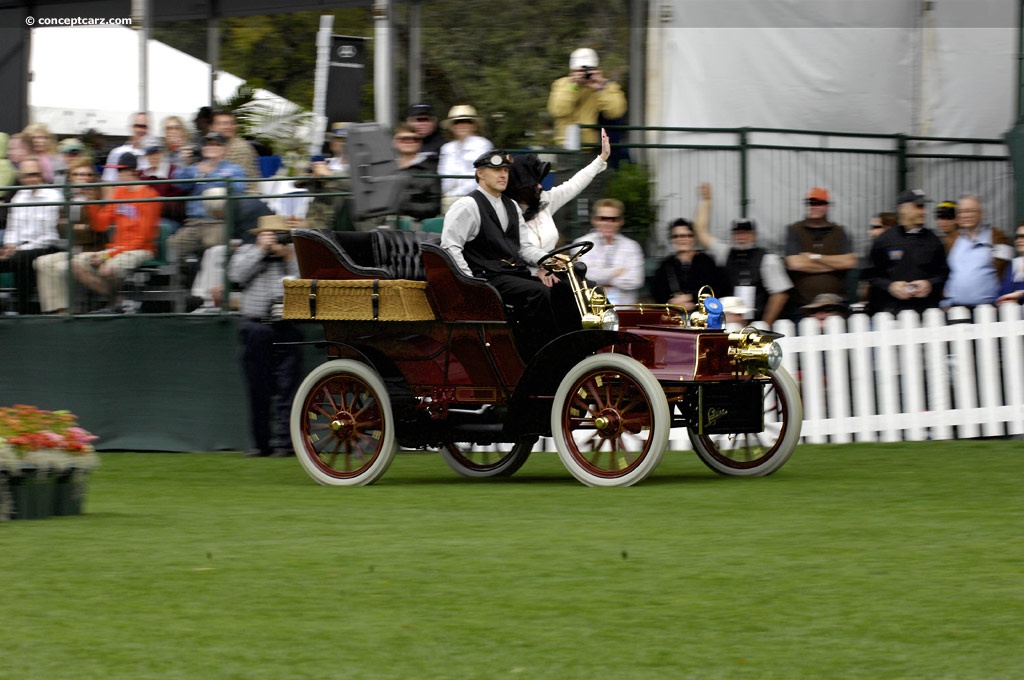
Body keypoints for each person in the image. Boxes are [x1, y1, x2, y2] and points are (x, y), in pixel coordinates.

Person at [441, 150, 567, 358]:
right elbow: (450, 247)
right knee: (537, 293)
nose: (503, 175)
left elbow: (523, 247)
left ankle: (567, 351)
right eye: (496, 170)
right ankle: (537, 357)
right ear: (480, 174)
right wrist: (470, 283)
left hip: (510, 274)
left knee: (561, 287)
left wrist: (546, 260)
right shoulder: (467, 206)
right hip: (485, 277)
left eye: (506, 170)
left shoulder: (511, 206)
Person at [228, 214, 303, 458]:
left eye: (276, 234)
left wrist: (286, 254)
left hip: (287, 326)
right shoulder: (247, 252)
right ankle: (261, 444)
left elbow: (305, 280)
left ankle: (286, 444)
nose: (272, 239)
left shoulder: (293, 254)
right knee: (257, 388)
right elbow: (236, 276)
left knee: (288, 389)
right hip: (255, 327)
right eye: (268, 234)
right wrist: (261, 251)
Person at [504, 128, 610, 268]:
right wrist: (547, 263)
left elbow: (573, 185)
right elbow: (519, 254)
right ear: (520, 189)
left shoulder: (545, 200)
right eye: (534, 185)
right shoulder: (506, 212)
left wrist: (601, 158)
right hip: (524, 276)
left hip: (551, 271)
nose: (540, 187)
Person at [71, 152, 160, 313]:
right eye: (117, 170)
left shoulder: (150, 195)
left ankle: (115, 305)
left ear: (132, 171)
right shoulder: (119, 192)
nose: (117, 174)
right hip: (118, 248)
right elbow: (101, 225)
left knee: (108, 269)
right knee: (76, 263)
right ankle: (121, 302)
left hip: (141, 249)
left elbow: (141, 239)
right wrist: (91, 202)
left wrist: (107, 256)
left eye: (121, 170)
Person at [692, 183, 792, 325]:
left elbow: (780, 294)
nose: (742, 237)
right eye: (738, 233)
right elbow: (700, 232)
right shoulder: (725, 253)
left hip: (756, 324)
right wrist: (706, 201)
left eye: (746, 233)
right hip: (729, 324)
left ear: (754, 235)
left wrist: (765, 324)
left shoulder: (768, 260)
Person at [33, 160, 105, 314]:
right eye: (77, 174)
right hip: (73, 250)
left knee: (62, 267)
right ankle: (58, 310)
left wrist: (73, 227)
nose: (83, 178)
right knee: (41, 262)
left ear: (94, 177)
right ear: (71, 178)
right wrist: (78, 228)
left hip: (95, 252)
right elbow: (60, 229)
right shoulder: (68, 199)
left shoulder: (100, 198)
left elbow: (96, 232)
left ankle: (71, 311)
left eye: (87, 174)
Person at [867, 189, 949, 315]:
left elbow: (943, 273)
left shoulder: (933, 240)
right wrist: (890, 287)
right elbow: (872, 275)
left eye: (924, 207)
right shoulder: (884, 240)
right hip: (892, 315)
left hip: (927, 313)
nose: (924, 211)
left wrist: (929, 284)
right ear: (902, 209)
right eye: (919, 206)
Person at [170, 132, 247, 261]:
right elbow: (178, 183)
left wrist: (210, 175)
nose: (211, 147)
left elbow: (238, 189)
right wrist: (185, 163)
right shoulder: (195, 168)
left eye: (216, 144)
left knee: (215, 253)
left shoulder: (234, 169)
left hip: (218, 222)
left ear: (224, 149)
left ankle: (215, 280)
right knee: (171, 249)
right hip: (194, 222)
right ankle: (186, 278)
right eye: (208, 144)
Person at [0, 157, 62, 314]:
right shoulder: (18, 197)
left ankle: (23, 309)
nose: (32, 179)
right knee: (19, 260)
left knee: (20, 260)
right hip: (21, 249)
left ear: (41, 175)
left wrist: (18, 249)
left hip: (47, 247)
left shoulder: (53, 196)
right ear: (21, 178)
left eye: (35, 174)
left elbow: (48, 236)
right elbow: (12, 228)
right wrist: (9, 245)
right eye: (28, 175)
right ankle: (16, 308)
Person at [784, 187, 857, 316]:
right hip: (804, 305)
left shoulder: (839, 232)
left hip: (836, 305)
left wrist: (814, 257)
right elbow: (795, 264)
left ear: (827, 206)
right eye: (811, 203)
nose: (814, 207)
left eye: (819, 203)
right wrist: (834, 264)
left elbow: (849, 262)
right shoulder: (794, 230)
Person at [942, 194, 1013, 308]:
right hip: (956, 308)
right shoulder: (951, 240)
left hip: (987, 308)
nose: (966, 215)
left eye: (970, 211)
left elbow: (1005, 270)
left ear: (980, 213)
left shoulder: (997, 236)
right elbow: (946, 272)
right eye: (962, 212)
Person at [547, 47, 628, 148]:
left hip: (591, 146)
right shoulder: (562, 84)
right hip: (565, 145)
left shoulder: (607, 86)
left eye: (589, 69)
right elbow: (558, 110)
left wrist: (601, 88)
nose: (584, 73)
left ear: (597, 69)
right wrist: (573, 86)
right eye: (580, 70)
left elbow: (615, 112)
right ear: (572, 70)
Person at [575, 198, 646, 305]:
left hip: (624, 310)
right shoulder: (582, 244)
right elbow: (586, 278)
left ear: (621, 221)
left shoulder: (632, 247)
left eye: (613, 219)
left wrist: (600, 278)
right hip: (593, 311)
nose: (608, 223)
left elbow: (635, 280)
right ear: (594, 220)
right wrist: (616, 272)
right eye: (603, 218)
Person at [650, 217, 725, 311]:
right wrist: (673, 303)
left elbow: (715, 289)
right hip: (674, 316)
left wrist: (689, 298)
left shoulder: (706, 261)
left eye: (686, 235)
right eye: (676, 236)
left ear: (694, 238)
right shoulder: (666, 264)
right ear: (671, 239)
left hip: (703, 314)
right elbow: (657, 292)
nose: (681, 239)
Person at [437, 105, 492, 213]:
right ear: (451, 126)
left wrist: (451, 194)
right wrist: (446, 194)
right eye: (457, 122)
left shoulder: (483, 145)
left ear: (474, 125)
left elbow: (479, 178)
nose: (462, 125)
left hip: (477, 199)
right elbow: (444, 178)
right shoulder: (447, 148)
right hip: (449, 201)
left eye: (467, 121)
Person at [392, 123, 441, 224]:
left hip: (415, 225)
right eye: (404, 139)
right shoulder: (385, 168)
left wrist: (403, 205)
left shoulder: (430, 170)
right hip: (385, 224)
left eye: (415, 139)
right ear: (395, 142)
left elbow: (434, 207)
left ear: (420, 143)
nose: (409, 142)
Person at [210, 109, 260, 191]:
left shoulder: (240, 147)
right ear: (212, 127)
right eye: (222, 123)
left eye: (231, 123)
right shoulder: (213, 144)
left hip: (243, 195)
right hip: (222, 190)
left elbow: (232, 178)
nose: (227, 127)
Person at [101, 112, 151, 182]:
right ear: (131, 128)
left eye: (145, 127)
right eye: (138, 126)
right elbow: (107, 182)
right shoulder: (117, 153)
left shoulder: (154, 155)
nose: (141, 130)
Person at [995, 221, 1024, 305]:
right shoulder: (1014, 264)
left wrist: (1020, 294)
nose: (1019, 240)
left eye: (1023, 237)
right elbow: (1004, 293)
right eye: (1017, 237)